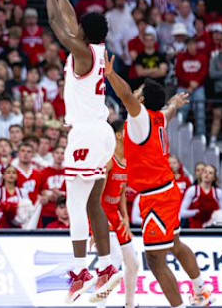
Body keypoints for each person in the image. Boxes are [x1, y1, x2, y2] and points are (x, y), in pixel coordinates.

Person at [32, 0, 120, 303]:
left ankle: (82, 269)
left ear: (85, 32)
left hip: (86, 134)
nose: (75, 25)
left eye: (79, 26)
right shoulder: (95, 49)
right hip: (102, 132)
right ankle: (108, 267)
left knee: (76, 203)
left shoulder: (82, 51)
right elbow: (68, 18)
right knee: (95, 205)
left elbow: (57, 22)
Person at [103, 51, 213, 307]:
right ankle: (201, 290)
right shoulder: (158, 118)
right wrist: (174, 102)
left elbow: (126, 95)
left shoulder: (140, 118)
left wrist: (111, 75)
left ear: (141, 99)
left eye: (139, 93)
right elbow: (170, 111)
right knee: (174, 244)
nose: (135, 96)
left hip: (157, 196)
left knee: (155, 259)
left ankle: (181, 305)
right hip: (167, 190)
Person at [99, 119, 139, 308]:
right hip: (103, 213)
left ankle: (130, 305)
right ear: (118, 135)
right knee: (113, 264)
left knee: (133, 263)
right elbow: (96, 196)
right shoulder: (109, 160)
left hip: (116, 215)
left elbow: (122, 191)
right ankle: (100, 305)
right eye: (127, 130)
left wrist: (126, 218)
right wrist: (97, 224)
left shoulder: (128, 160)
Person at [181, 163, 222, 228]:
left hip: (212, 229)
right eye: (205, 172)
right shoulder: (193, 190)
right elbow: (181, 212)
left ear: (214, 178)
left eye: (210, 173)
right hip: (195, 231)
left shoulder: (218, 192)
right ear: (202, 175)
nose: (207, 174)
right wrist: (196, 212)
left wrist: (213, 219)